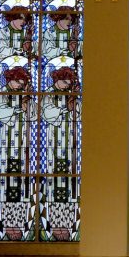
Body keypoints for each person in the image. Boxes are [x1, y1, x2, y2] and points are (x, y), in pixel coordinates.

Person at [0, 66, 35, 241]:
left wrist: (28, 105)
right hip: (5, 148)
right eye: (18, 81)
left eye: (22, 83)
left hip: (23, 146)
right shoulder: (2, 94)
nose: (19, 85)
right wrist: (18, 107)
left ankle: (20, 223)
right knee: (7, 186)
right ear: (10, 79)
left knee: (21, 186)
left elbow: (34, 116)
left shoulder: (25, 96)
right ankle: (6, 224)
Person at [41, 66, 80, 240]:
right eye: (65, 82)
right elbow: (47, 114)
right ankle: (55, 223)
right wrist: (66, 107)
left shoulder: (72, 95)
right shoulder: (49, 95)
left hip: (70, 144)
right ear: (57, 80)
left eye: (69, 83)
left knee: (68, 186)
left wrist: (75, 105)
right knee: (55, 185)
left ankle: (68, 222)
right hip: (53, 146)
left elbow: (80, 113)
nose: (66, 86)